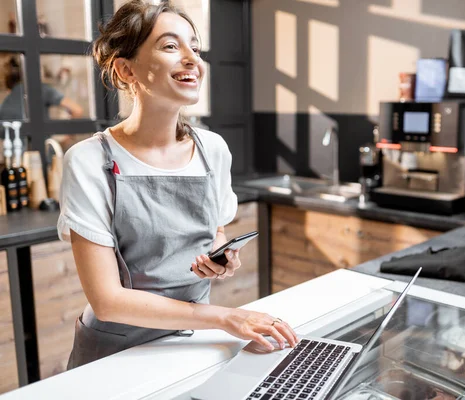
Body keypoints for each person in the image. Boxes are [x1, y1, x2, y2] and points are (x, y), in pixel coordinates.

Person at [58, 0, 297, 369]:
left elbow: (214, 231)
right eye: (171, 46)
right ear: (126, 70)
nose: (192, 60)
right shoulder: (89, 161)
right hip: (114, 355)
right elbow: (107, 300)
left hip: (189, 340)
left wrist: (220, 255)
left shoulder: (212, 150)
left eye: (195, 48)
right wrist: (226, 317)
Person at [0, 56, 83, 120]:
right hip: (40, 141)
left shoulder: (5, 104)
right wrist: (66, 139)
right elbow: (77, 110)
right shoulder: (40, 89)